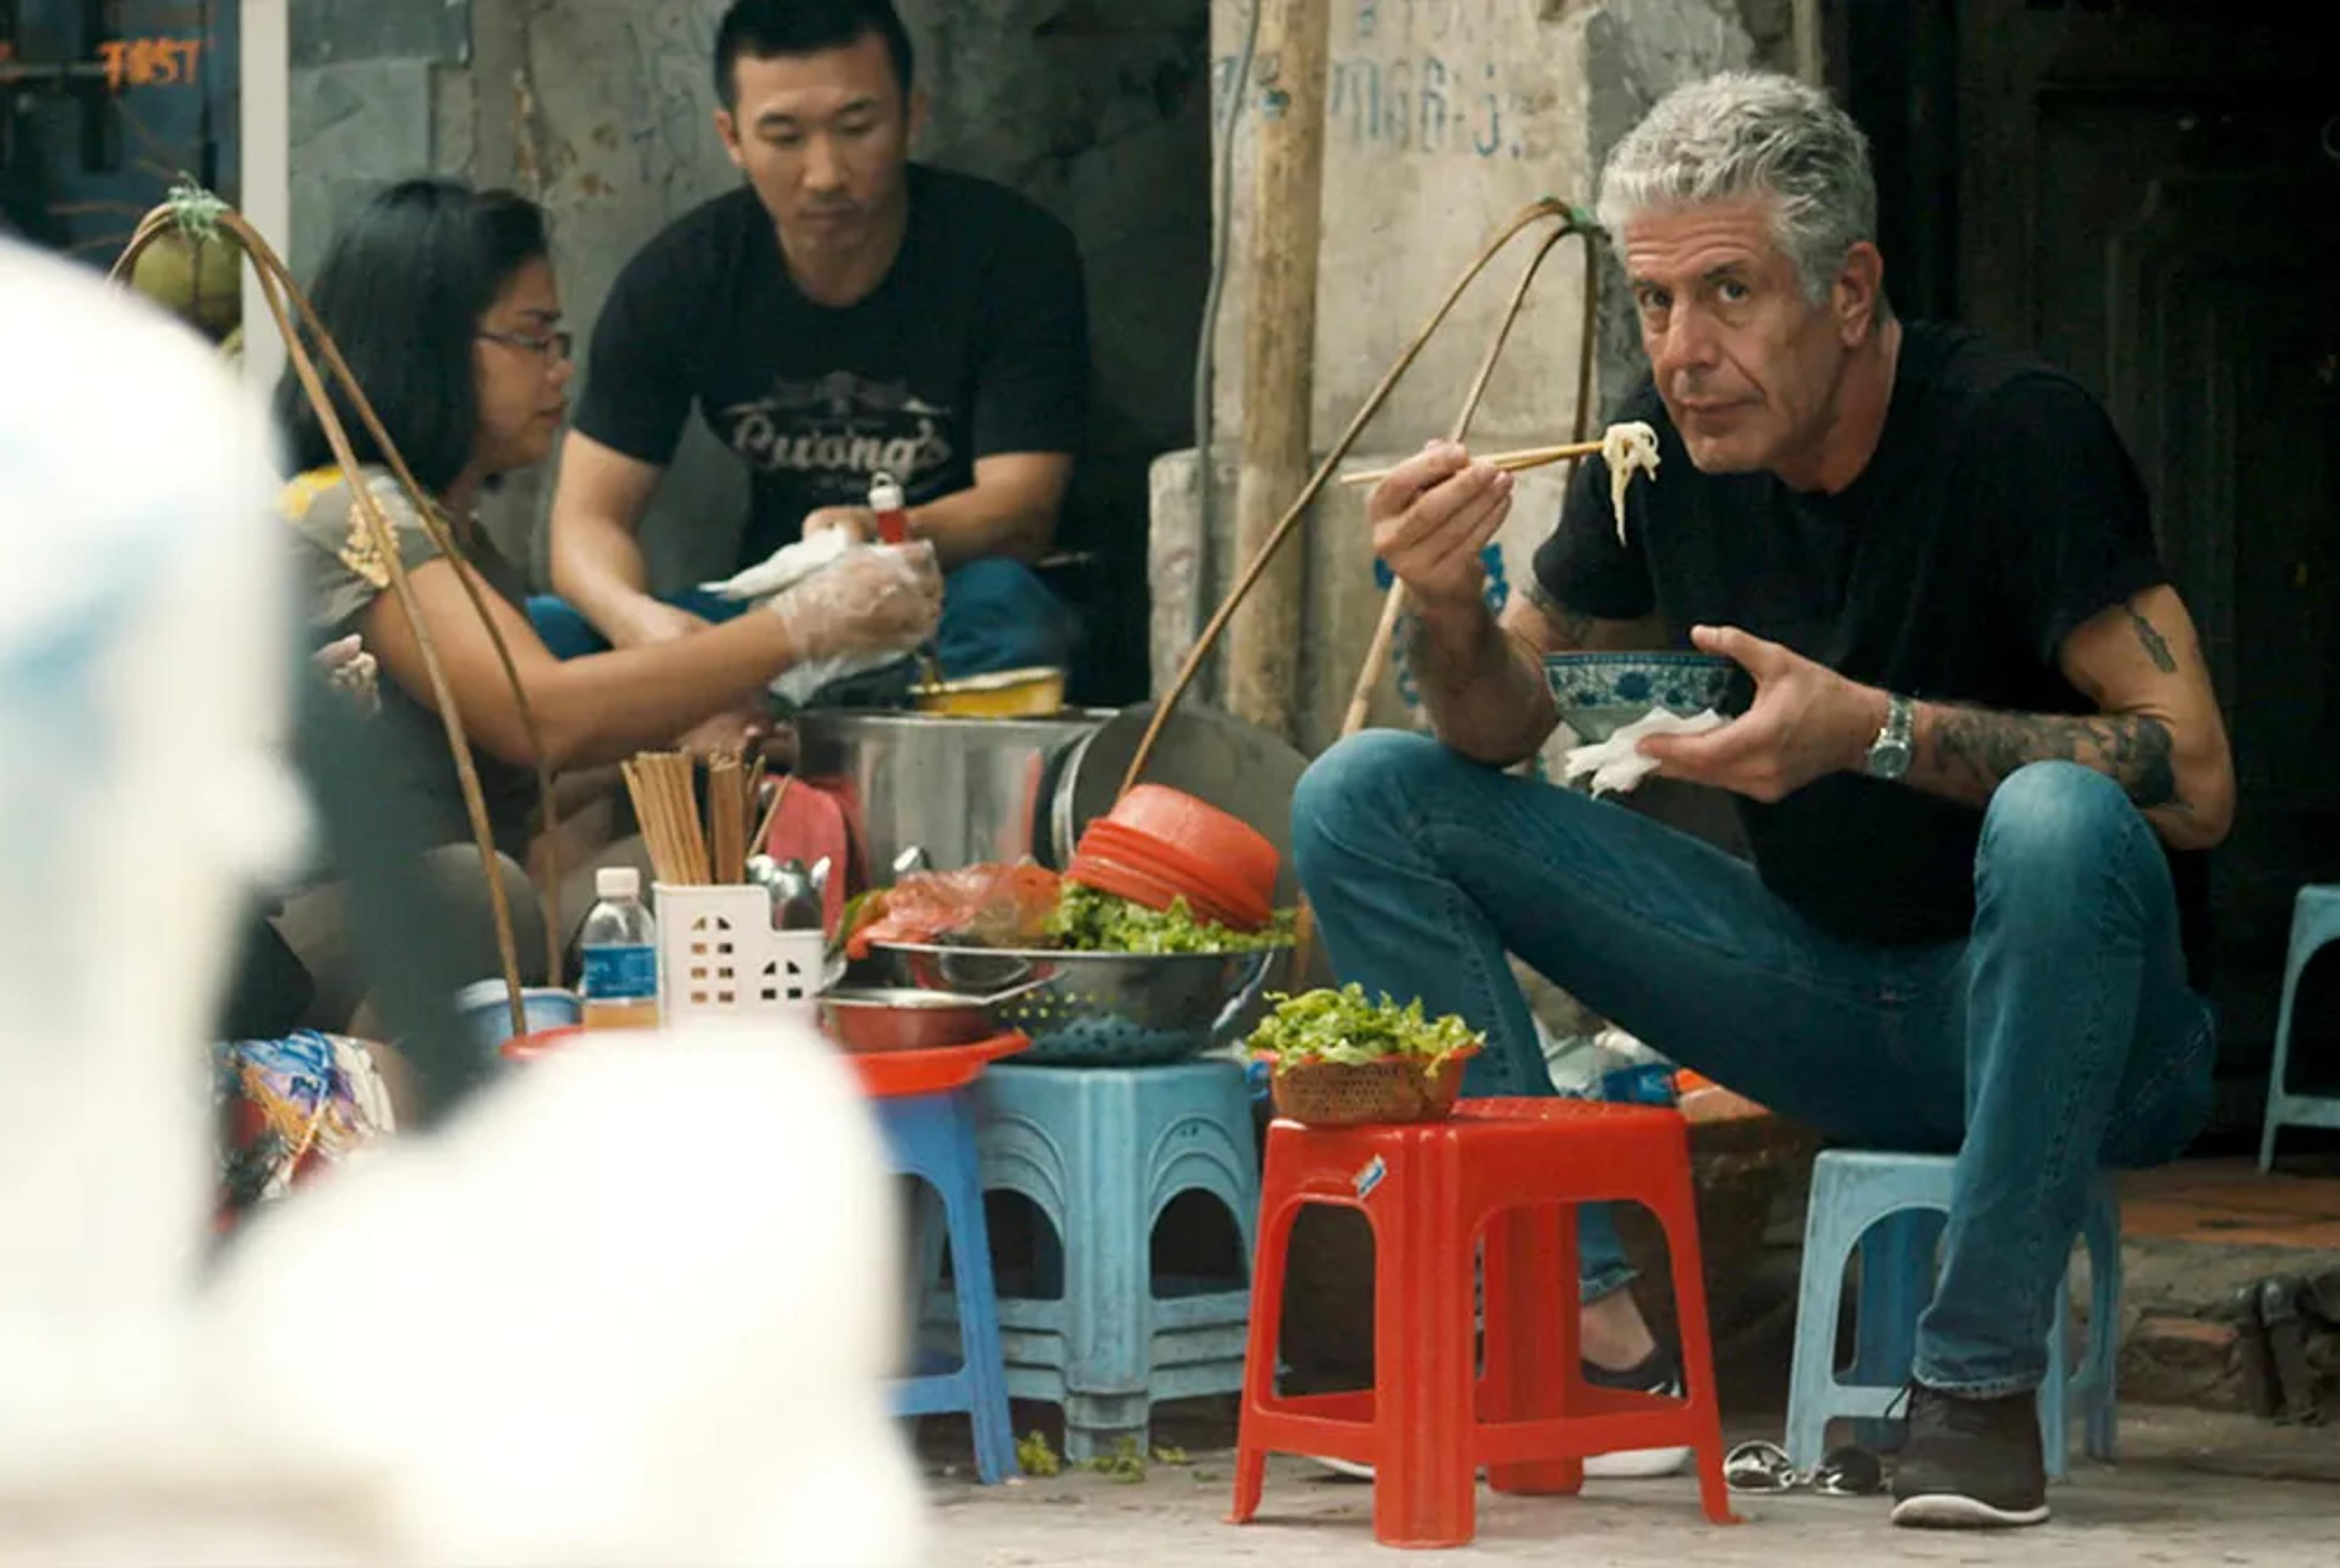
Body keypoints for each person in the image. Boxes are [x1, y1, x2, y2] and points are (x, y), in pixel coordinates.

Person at [1294, 71, 2230, 1530]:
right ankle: (1590, 1338)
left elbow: (2195, 777)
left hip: (2089, 1036)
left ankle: (1974, 1395)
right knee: (1367, 792)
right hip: (1827, 996)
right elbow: (1495, 728)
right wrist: (1443, 605)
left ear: (1847, 290)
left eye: (1727, 293)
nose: (1682, 352)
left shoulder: (2011, 433)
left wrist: (1874, 734)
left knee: (2057, 817)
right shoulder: (1655, 450)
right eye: (1653, 304)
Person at [275, 179, 940, 1025]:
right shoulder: (350, 511)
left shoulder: (453, 532)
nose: (561, 370)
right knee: (480, 893)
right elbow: (537, 718)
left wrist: (678, 740)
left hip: (451, 907)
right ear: (431, 346)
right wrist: (800, 624)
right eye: (532, 339)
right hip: (314, 938)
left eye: (561, 340)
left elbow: (513, 780)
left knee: (715, 868)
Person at [538, 0, 1088, 686]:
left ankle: (771, 730)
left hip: (938, 601)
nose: (825, 174)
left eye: (858, 127)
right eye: (785, 136)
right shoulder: (681, 277)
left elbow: (1022, 510)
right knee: (547, 633)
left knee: (1012, 617)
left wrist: (877, 530)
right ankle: (762, 716)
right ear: (732, 137)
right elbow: (586, 521)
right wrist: (644, 630)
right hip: (764, 618)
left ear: (913, 115)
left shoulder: (1010, 255)